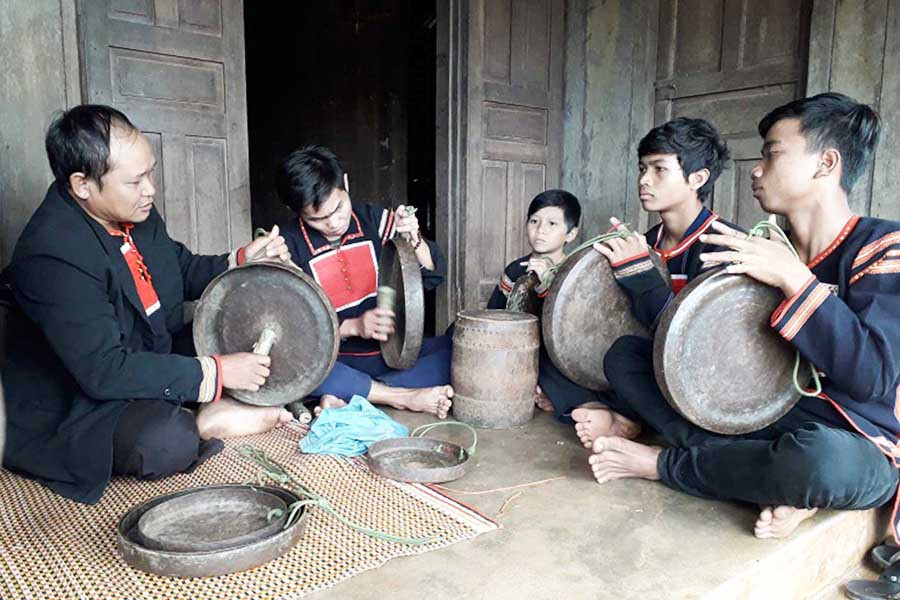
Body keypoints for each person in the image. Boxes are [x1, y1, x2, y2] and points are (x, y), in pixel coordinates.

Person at [589, 93, 900, 540]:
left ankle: (668, 464)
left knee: (818, 462)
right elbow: (705, 354)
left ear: (826, 163)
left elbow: (874, 377)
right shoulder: (761, 245)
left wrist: (795, 279)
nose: (756, 169)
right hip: (759, 417)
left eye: (772, 154)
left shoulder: (884, 246)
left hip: (850, 435)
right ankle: (759, 478)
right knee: (627, 356)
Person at [1, 105, 294, 504]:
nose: (150, 190)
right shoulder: (53, 253)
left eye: (149, 174)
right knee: (164, 440)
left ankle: (197, 402)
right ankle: (203, 419)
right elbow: (103, 370)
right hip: (80, 396)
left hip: (145, 350)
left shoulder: (133, 210)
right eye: (135, 181)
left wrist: (242, 259)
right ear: (82, 184)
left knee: (240, 335)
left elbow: (179, 268)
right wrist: (216, 372)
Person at [572, 117, 733, 446]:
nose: (644, 180)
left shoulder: (723, 246)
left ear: (697, 178)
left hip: (704, 379)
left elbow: (697, 347)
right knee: (574, 351)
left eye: (660, 169)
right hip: (653, 366)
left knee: (622, 357)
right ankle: (624, 415)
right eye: (642, 168)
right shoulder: (646, 241)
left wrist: (639, 273)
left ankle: (694, 445)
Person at [277, 145, 453, 418]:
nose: (333, 223)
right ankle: (401, 397)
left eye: (338, 208)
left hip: (388, 355)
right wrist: (353, 327)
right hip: (333, 361)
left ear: (345, 184)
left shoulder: (374, 220)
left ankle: (353, 395)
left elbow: (431, 276)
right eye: (317, 219)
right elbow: (293, 332)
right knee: (292, 367)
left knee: (457, 349)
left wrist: (415, 239)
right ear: (296, 210)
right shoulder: (287, 246)